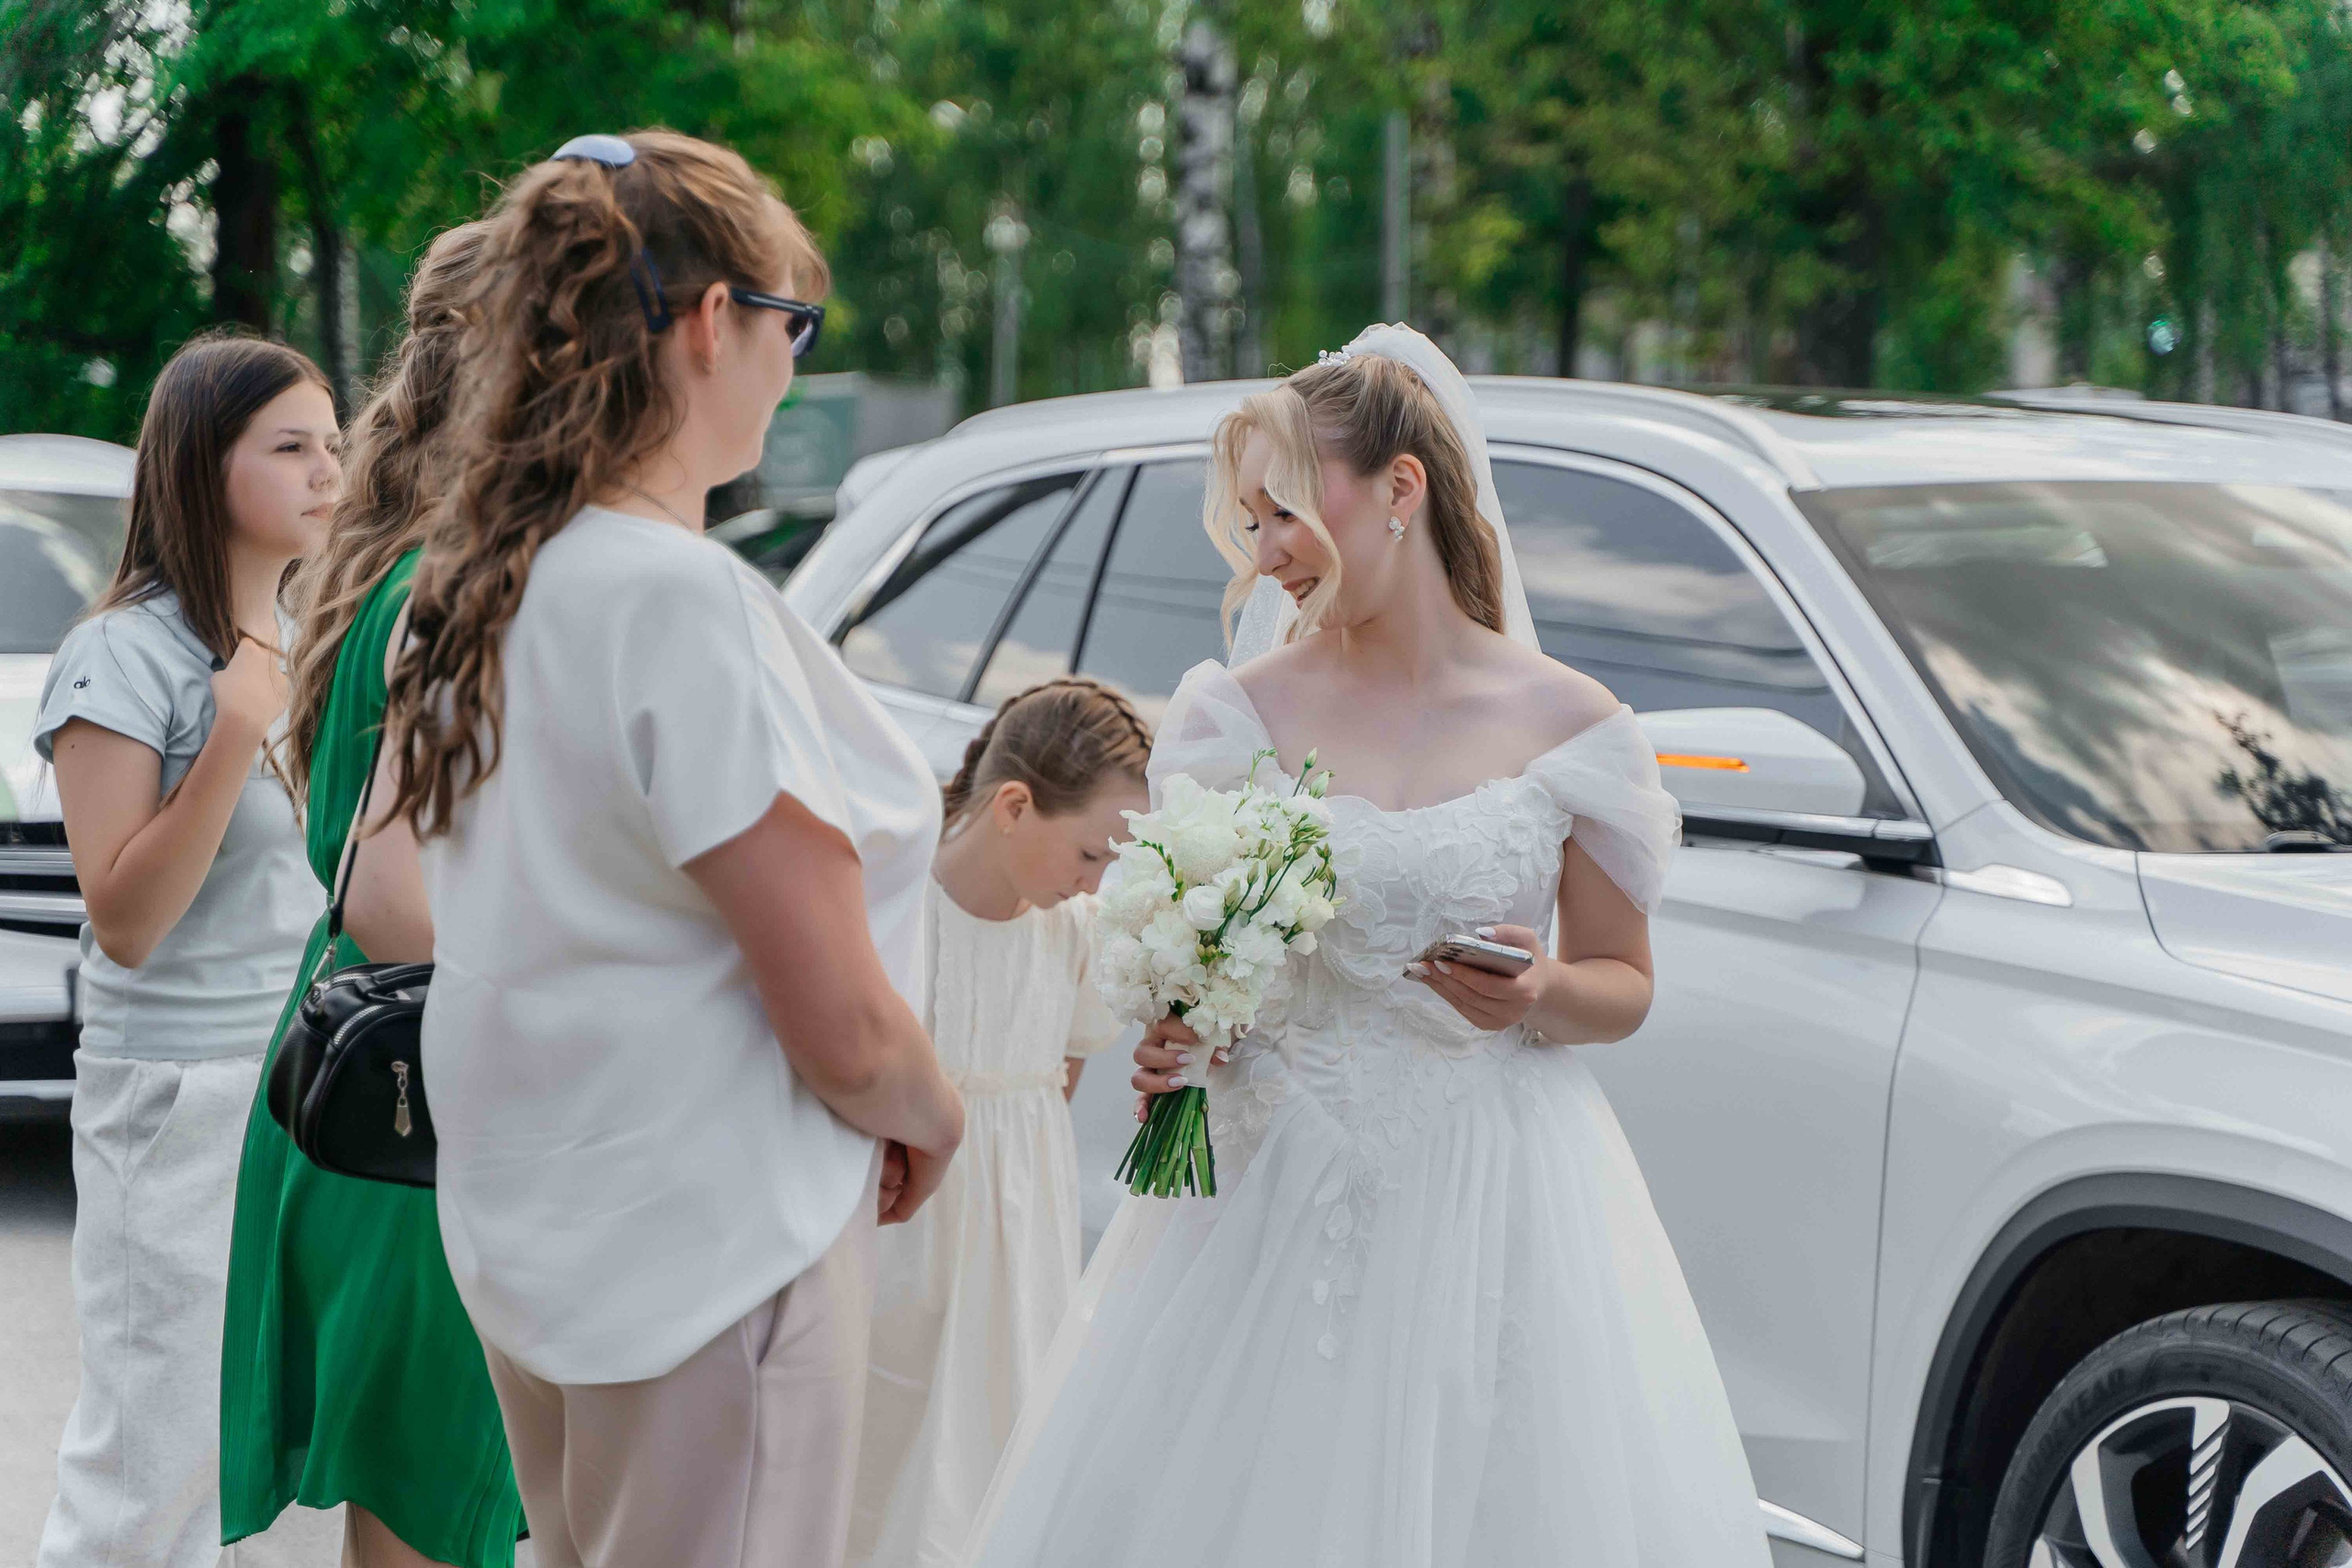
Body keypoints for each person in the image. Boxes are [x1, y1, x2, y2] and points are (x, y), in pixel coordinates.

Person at [963, 325, 1771, 1567]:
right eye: (1251, 520)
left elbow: (1626, 984)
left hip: (1499, 1192)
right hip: (1276, 1187)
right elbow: (1207, 960)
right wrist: (1192, 1030)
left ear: (1403, 490)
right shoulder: (1235, 713)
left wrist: (1544, 986)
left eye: (1286, 511)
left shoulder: (1572, 723)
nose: (1267, 550)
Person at [382, 130, 963, 1568]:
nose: (789, 363)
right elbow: (833, 1012)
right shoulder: (674, 601)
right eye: (790, 325)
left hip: (539, 1217)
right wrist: (937, 1111)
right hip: (709, 1237)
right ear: (715, 322)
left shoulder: (476, 587)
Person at [218, 221, 526, 1568]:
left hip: (355, 1055)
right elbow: (398, 898)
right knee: (429, 1521)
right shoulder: (458, 580)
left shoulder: (391, 557)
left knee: (408, 1527)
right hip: (422, 1081)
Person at [32, 332, 339, 1568]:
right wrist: (228, 741)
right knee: (153, 1465)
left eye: (332, 440)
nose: (329, 469)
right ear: (205, 468)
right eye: (291, 446)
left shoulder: (316, 637)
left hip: (308, 1079)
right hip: (177, 1095)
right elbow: (125, 914)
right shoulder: (123, 654)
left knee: (285, 1462)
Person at [849, 679, 1152, 1568]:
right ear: (1014, 806)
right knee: (892, 1462)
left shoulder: (1068, 933)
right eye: (1091, 854)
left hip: (1019, 1254)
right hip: (908, 1244)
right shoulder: (901, 914)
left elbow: (1059, 1068)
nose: (1097, 882)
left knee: (1002, 1454)